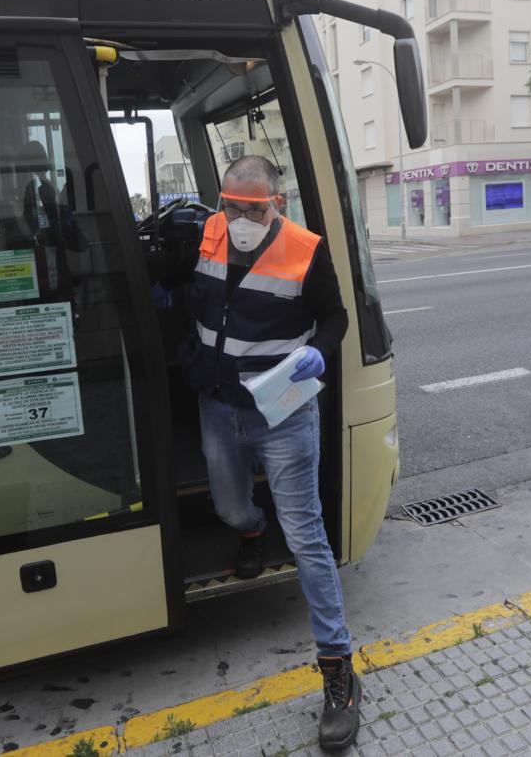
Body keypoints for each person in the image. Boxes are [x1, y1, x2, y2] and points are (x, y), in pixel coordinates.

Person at [174, 154, 361, 752]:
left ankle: (338, 672)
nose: (239, 217)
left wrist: (321, 353)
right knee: (230, 509)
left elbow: (335, 316)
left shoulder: (307, 248)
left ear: (275, 204)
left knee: (307, 537)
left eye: (251, 209)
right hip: (217, 405)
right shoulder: (208, 233)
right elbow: (190, 295)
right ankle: (252, 532)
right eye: (230, 205)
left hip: (282, 413)